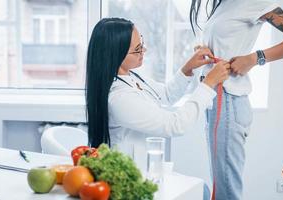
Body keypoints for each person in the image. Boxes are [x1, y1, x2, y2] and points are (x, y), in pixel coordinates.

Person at [85, 17, 229, 177]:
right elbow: (174, 125)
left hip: (143, 170)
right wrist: (208, 84)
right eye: (137, 49)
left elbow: (165, 95)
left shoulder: (131, 77)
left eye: (142, 43)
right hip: (127, 176)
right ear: (116, 54)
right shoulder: (119, 98)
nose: (144, 51)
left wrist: (188, 68)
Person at [190, 0, 283, 199]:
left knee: (226, 192)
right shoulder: (224, 4)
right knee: (220, 188)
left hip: (228, 100)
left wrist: (255, 58)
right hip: (215, 98)